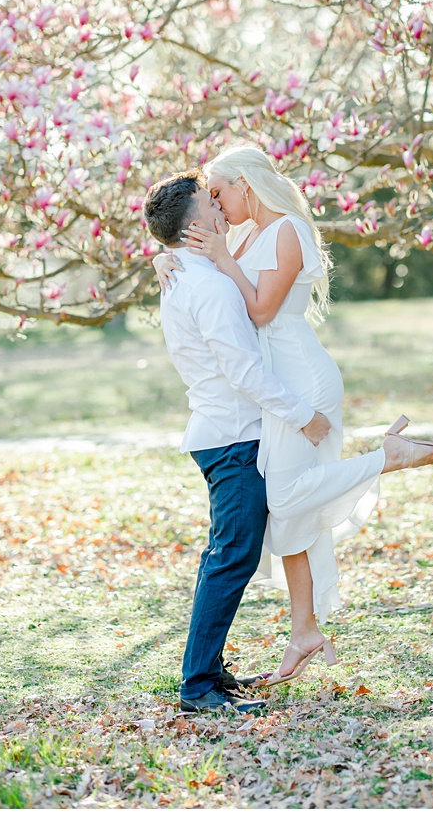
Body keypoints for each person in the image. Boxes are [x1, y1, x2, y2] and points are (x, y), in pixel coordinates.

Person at [152, 145, 433, 686]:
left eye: (220, 192)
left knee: (286, 498)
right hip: (273, 384)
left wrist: (214, 258)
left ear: (246, 184)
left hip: (297, 375)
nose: (218, 206)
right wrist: (172, 255)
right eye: (212, 199)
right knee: (290, 512)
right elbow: (199, 262)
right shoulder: (235, 237)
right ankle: (305, 630)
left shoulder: (282, 229)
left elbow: (260, 308)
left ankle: (386, 458)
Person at [142, 171, 333, 713]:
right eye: (211, 200)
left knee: (231, 554)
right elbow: (244, 372)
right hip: (231, 439)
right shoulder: (205, 286)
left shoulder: (191, 273)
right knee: (231, 556)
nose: (220, 205)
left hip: (226, 433)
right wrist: (304, 418)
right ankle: (198, 686)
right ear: (197, 223)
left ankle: (210, 672)